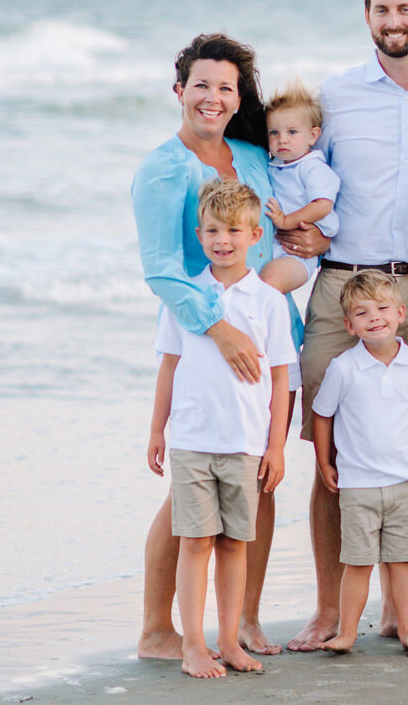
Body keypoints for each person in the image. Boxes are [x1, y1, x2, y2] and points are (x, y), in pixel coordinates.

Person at [276, 0, 408, 652]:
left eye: (404, 9)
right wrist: (290, 229)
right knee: (329, 453)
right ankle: (331, 611)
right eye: (381, 11)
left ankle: (400, 611)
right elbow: (300, 171)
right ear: (368, 17)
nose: (393, 22)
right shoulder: (336, 94)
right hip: (341, 287)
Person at [132, 32, 300, 660]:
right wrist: (217, 328)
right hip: (205, 340)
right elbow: (160, 268)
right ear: (180, 92)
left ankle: (242, 624)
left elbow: (274, 233)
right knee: (189, 499)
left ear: (237, 99)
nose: (212, 96)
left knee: (260, 479)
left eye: (225, 87)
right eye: (200, 84)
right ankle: (157, 628)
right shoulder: (163, 168)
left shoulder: (253, 157)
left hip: (267, 330)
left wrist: (301, 251)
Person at [146, 179, 295, 678]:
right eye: (212, 230)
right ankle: (192, 645)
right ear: (199, 233)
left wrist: (275, 446)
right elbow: (168, 366)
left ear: (255, 234)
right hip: (191, 441)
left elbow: (279, 377)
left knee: (235, 543)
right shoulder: (186, 297)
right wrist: (156, 431)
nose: (222, 239)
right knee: (195, 541)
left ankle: (229, 640)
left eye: (233, 230)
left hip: (246, 444)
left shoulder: (268, 302)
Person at [311, 271, 408, 655]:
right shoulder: (343, 368)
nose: (375, 317)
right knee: (357, 563)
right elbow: (322, 415)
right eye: (362, 312)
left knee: (402, 562)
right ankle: (347, 633)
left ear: (400, 312)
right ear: (349, 325)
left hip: (406, 483)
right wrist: (324, 463)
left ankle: (406, 629)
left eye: (383, 308)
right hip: (358, 485)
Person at [259, 80, 339, 296]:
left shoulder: (312, 167)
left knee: (268, 283)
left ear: (313, 136)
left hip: (300, 254)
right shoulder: (275, 165)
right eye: (274, 132)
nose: (282, 139)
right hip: (275, 247)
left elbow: (322, 205)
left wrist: (286, 221)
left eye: (292, 132)